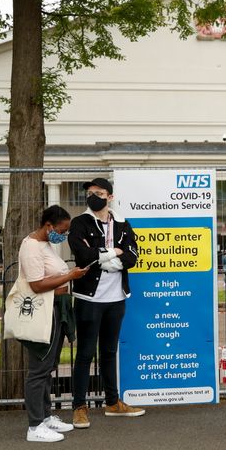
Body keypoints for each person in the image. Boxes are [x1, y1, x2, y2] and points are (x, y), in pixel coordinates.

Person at [68, 177, 143, 429]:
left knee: (109, 352)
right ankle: (79, 407)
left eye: (99, 192)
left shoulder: (122, 224)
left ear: (109, 196)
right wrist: (114, 252)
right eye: (90, 192)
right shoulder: (80, 223)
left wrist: (103, 256)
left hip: (116, 298)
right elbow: (83, 254)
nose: (93, 196)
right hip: (89, 299)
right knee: (85, 353)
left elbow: (133, 256)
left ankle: (113, 402)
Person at [18, 205, 88, 442]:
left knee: (48, 367)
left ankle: (45, 417)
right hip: (43, 312)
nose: (65, 235)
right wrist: (70, 276)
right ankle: (35, 426)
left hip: (56, 309)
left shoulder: (45, 244)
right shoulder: (30, 247)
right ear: (49, 226)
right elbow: (37, 285)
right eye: (62, 230)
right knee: (39, 369)